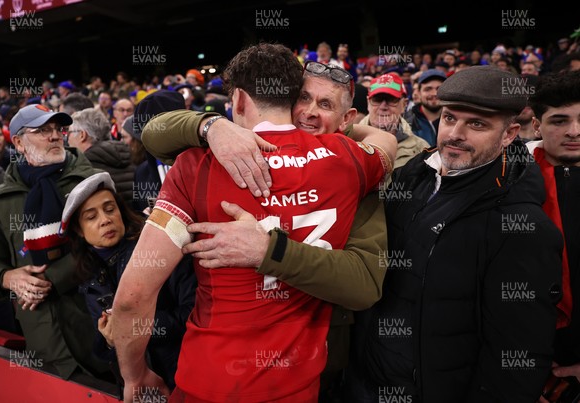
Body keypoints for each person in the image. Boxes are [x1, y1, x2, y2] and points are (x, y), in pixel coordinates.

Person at [112, 42, 391, 403]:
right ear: (292, 99)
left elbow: (133, 297)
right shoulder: (350, 160)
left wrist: (134, 373)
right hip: (297, 385)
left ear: (239, 100)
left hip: (209, 382)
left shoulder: (197, 165)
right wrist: (211, 126)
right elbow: (385, 143)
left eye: (326, 105)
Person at [348, 65, 563, 402]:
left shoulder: (522, 224)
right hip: (367, 383)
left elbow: (516, 359)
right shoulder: (411, 176)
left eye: (477, 124)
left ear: (509, 134)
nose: (455, 134)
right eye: (449, 118)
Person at [0, 104, 109, 380]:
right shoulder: (0, 201)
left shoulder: (90, 181)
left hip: (99, 326)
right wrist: (8, 278)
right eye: (42, 131)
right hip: (42, 338)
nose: (54, 136)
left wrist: (51, 278)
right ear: (18, 143)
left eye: (57, 129)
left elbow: (110, 245)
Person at [60, 172, 195, 391]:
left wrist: (134, 327)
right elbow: (108, 347)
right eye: (91, 217)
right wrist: (110, 340)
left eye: (110, 209)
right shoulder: (89, 276)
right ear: (79, 230)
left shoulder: (160, 248)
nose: (105, 220)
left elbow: (193, 313)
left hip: (184, 376)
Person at [527, 71, 580, 402]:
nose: (574, 131)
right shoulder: (505, 180)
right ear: (536, 126)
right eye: (560, 121)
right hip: (528, 361)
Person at [67, 108, 135, 207]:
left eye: (69, 133)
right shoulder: (131, 154)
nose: (67, 138)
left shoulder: (83, 168)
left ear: (82, 135)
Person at [361, 73, 430, 168]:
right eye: (377, 100)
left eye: (391, 100)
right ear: (368, 102)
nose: (383, 106)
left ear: (404, 104)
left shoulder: (421, 148)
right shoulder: (348, 141)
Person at [405, 68, 446, 147]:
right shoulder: (406, 122)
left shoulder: (457, 121)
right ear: (419, 93)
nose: (434, 93)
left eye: (439, 89)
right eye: (428, 89)